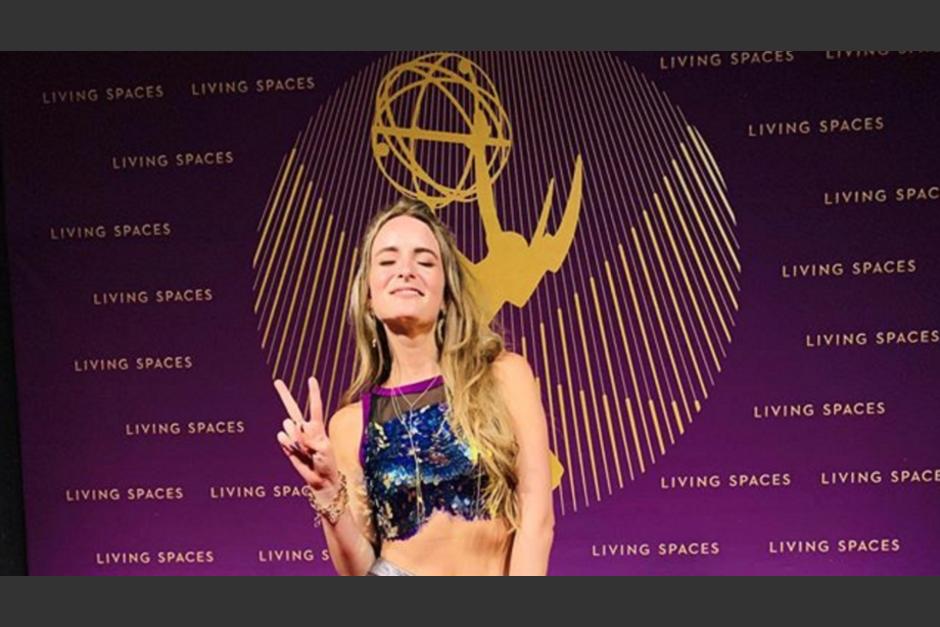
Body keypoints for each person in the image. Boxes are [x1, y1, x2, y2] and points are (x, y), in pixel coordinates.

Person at [274, 197, 554, 575]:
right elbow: (357, 571)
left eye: (424, 261)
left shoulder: (503, 376)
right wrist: (326, 490)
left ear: (445, 295)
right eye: (388, 261)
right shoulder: (350, 424)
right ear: (369, 298)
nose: (405, 271)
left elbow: (537, 517)